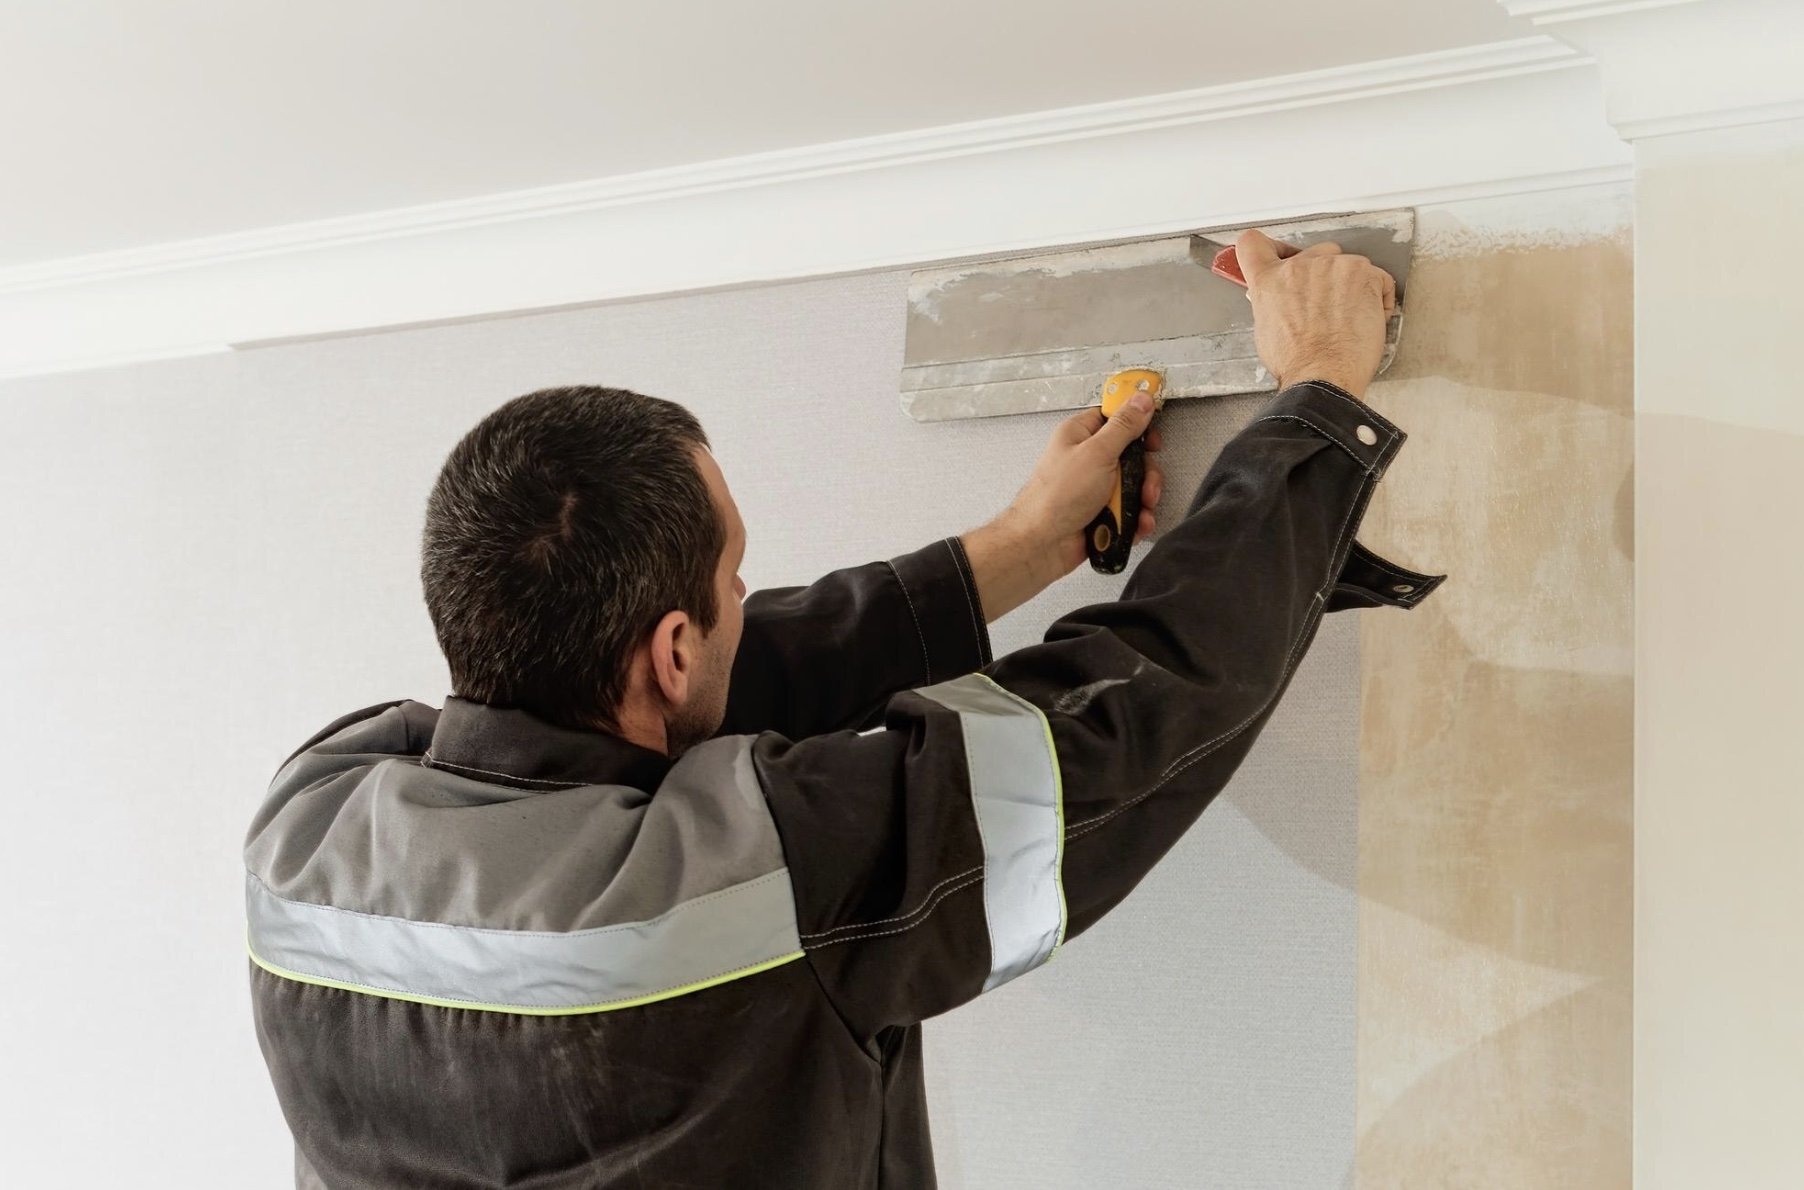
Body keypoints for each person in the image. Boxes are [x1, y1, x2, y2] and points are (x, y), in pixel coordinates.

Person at [244, 230, 1442, 1188]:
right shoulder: (756, 883)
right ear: (670, 647)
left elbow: (671, 696)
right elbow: (1128, 713)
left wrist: (1013, 551)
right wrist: (1319, 399)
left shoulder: (309, 826)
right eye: (729, 579)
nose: (741, 598)